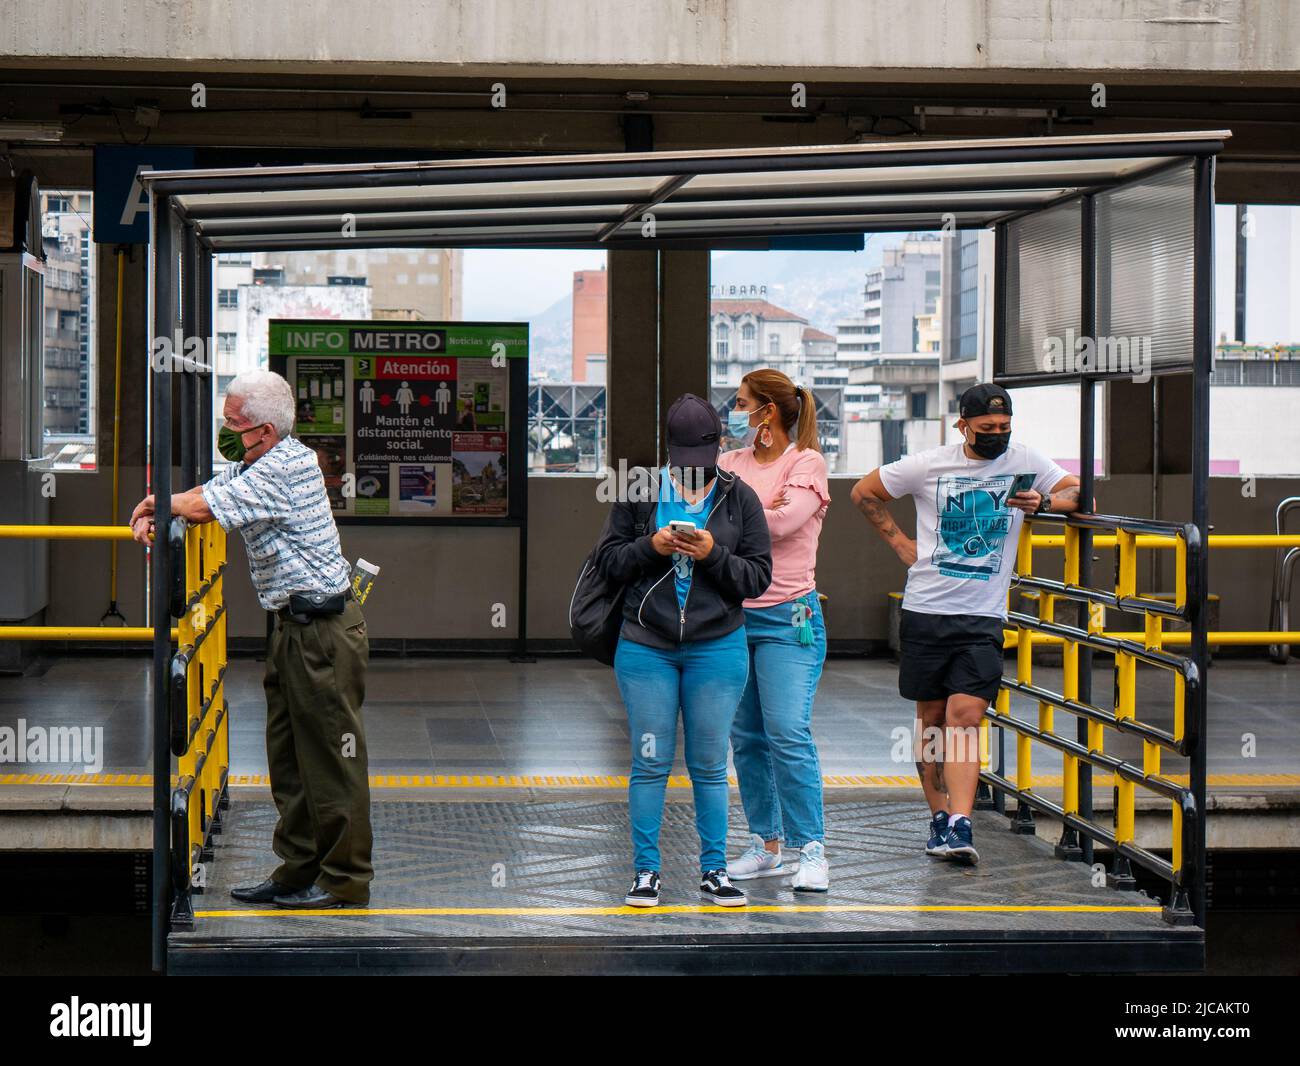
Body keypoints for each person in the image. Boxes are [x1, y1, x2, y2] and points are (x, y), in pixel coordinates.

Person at [129, 369, 373, 909]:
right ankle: (297, 870)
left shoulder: (282, 469)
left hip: (323, 633)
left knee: (332, 759)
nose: (227, 431)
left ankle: (344, 882)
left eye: (233, 423)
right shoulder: (258, 462)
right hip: (294, 627)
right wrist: (156, 503)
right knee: (289, 758)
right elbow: (207, 492)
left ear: (263, 429)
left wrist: (161, 507)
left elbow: (201, 508)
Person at [849, 383, 1081, 865]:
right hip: (927, 611)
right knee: (932, 721)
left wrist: (1046, 504)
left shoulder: (1024, 459)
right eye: (986, 428)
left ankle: (961, 822)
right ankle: (938, 817)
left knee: (967, 717)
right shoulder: (930, 464)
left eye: (1003, 428)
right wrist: (898, 543)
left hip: (983, 615)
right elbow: (864, 492)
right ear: (963, 426)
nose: (996, 435)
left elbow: (1078, 492)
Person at [595, 393, 772, 908]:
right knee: (650, 762)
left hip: (717, 647)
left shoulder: (740, 499)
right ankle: (646, 872)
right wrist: (651, 546)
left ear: (719, 447)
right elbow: (607, 562)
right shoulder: (640, 493)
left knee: (709, 763)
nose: (694, 472)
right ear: (668, 451)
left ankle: (714, 871)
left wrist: (713, 554)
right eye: (683, 463)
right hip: (646, 647)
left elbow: (758, 578)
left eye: (703, 462)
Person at [717, 370, 832, 891]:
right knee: (746, 737)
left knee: (787, 732)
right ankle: (766, 845)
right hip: (733, 616)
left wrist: (733, 517)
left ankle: (811, 848)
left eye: (742, 403)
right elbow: (709, 515)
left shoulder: (806, 462)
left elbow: (785, 524)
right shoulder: (729, 463)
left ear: (767, 412)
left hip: (790, 617)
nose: (733, 410)